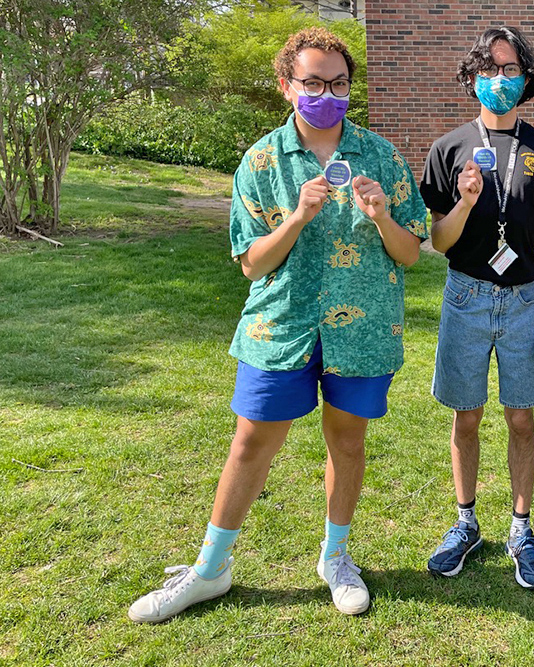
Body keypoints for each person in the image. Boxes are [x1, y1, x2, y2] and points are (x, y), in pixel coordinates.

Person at [128, 27, 428, 622]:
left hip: (363, 328)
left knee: (347, 441)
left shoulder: (382, 156)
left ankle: (335, 558)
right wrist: (295, 218)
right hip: (281, 325)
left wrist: (382, 215)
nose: (328, 93)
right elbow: (251, 263)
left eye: (339, 83)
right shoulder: (260, 160)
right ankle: (211, 568)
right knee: (251, 443)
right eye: (313, 82)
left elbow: (411, 254)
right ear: (286, 85)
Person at [419, 26, 534, 589]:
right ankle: (465, 524)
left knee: (520, 415)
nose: (499, 80)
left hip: (524, 302)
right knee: (467, 415)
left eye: (509, 70)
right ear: (471, 79)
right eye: (487, 70)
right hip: (465, 295)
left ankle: (520, 529)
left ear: (526, 78)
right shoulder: (448, 149)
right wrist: (463, 203)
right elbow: (437, 241)